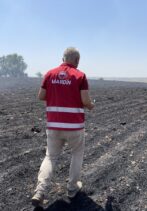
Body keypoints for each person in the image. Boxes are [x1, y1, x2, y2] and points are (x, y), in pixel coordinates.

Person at [32, 47, 94, 207]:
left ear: (63, 58)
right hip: (74, 127)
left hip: (53, 125)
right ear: (77, 61)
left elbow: (41, 96)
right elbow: (85, 100)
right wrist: (90, 105)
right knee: (77, 154)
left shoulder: (50, 74)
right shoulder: (80, 76)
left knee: (50, 157)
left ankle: (40, 191)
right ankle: (72, 189)